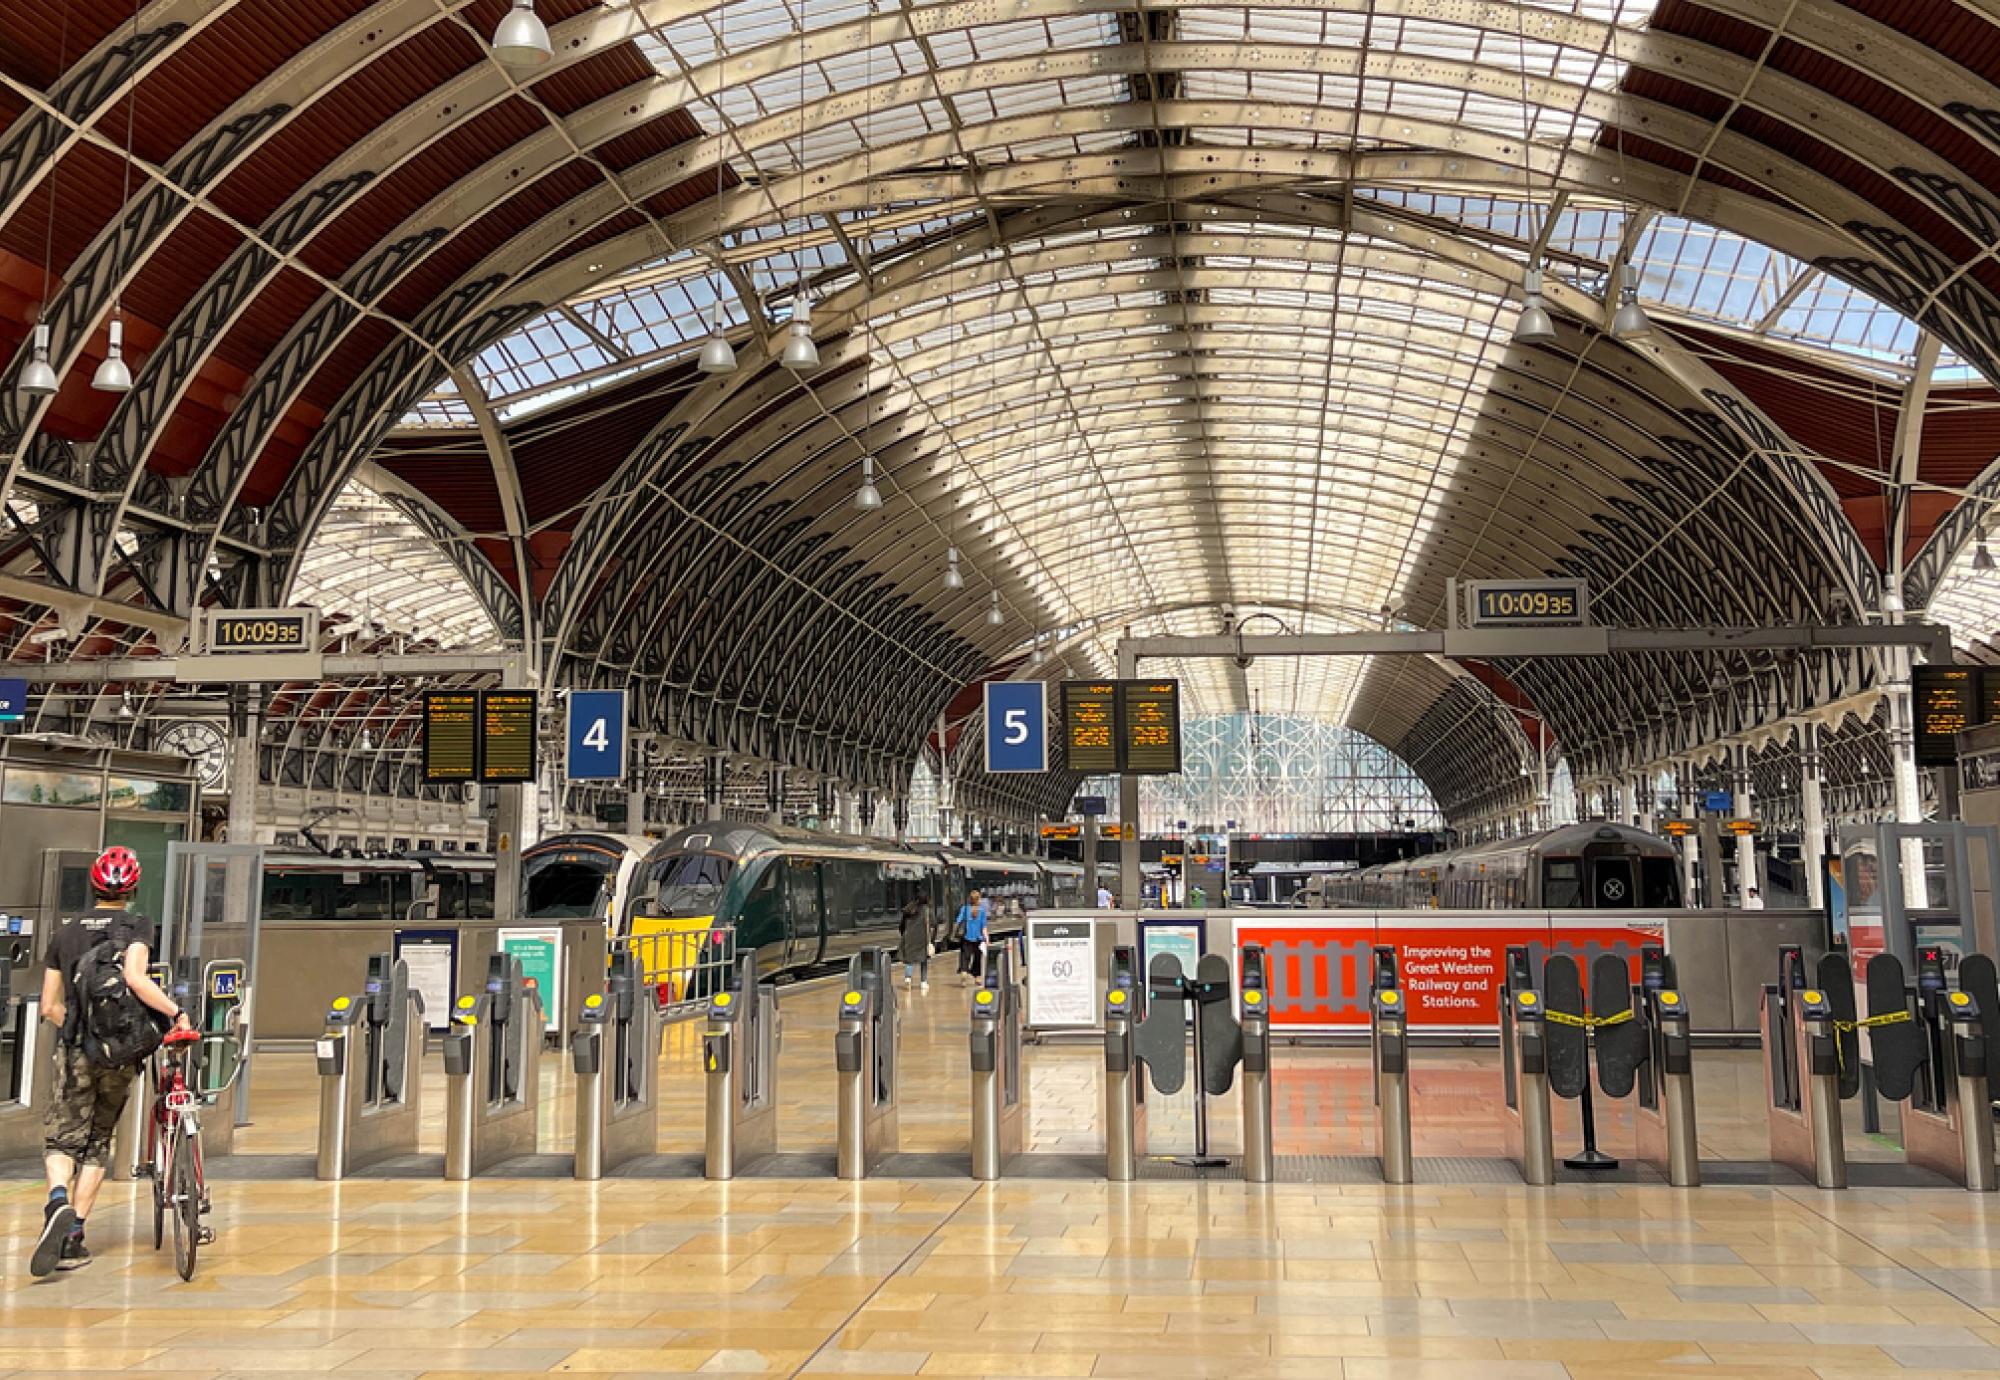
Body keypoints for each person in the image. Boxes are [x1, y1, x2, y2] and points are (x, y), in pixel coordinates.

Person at [34, 847, 192, 1278]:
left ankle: (56, 1202)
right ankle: (74, 1236)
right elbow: (135, 979)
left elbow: (49, 1005)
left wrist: (81, 1030)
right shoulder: (136, 925)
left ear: (93, 886)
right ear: (133, 888)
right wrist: (175, 1014)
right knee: (99, 1139)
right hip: (119, 1053)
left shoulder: (64, 934)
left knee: (63, 1139)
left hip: (75, 1053)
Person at [953, 888, 990, 985]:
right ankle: (977, 977)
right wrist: (987, 939)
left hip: (966, 937)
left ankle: (964, 972)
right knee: (977, 958)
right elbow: (984, 927)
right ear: (978, 899)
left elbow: (958, 921)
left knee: (965, 957)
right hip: (978, 938)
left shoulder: (964, 909)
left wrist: (954, 933)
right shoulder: (982, 911)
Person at [898, 891, 933, 991]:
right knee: (924, 960)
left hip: (909, 937)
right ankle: (923, 982)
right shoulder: (927, 910)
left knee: (909, 960)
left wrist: (904, 935)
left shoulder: (908, 909)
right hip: (922, 938)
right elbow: (934, 923)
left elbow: (901, 925)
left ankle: (908, 979)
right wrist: (932, 939)